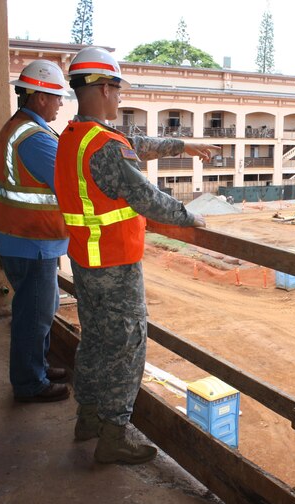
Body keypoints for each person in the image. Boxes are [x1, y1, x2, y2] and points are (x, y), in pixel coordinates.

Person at [54, 47, 219, 465]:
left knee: (94, 339)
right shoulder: (105, 145)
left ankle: (87, 417)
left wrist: (186, 144)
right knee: (128, 346)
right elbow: (144, 196)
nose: (120, 97)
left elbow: (140, 144)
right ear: (104, 88)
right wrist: (189, 216)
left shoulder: (74, 136)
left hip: (85, 258)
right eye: (117, 88)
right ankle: (114, 433)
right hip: (114, 262)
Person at [0, 59, 70, 403]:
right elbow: (70, 182)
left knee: (40, 308)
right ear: (38, 98)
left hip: (26, 238)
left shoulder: (23, 127)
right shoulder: (33, 138)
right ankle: (29, 383)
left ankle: (37, 365)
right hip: (30, 240)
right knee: (33, 316)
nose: (61, 103)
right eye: (56, 97)